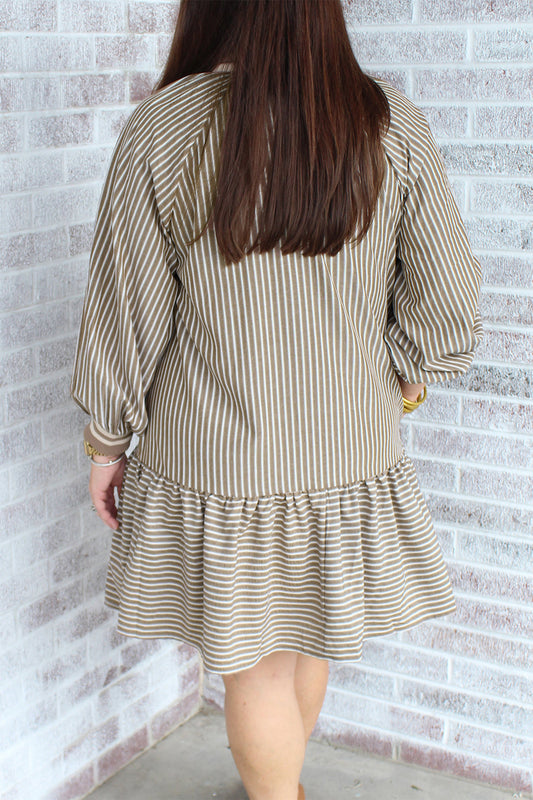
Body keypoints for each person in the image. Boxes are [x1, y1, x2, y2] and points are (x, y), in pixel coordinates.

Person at [70, 1, 483, 798]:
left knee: (251, 667)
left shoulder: (166, 127)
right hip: (348, 452)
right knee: (304, 638)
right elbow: (445, 305)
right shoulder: (385, 120)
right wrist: (403, 386)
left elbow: (126, 312)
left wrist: (107, 443)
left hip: (218, 457)